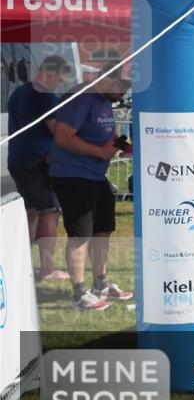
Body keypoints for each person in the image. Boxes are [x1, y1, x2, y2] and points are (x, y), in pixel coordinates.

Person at [49, 68, 134, 311]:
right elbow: (63, 137)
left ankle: (101, 284)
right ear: (106, 79)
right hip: (72, 175)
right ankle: (79, 294)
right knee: (80, 234)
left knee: (103, 229)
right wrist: (100, 152)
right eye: (121, 87)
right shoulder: (82, 98)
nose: (123, 94)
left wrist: (124, 146)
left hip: (96, 175)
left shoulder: (104, 100)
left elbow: (105, 132)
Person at [7, 55, 71, 281]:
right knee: (49, 211)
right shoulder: (45, 95)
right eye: (59, 79)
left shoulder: (18, 93)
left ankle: (20, 265)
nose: (58, 84)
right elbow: (56, 129)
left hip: (17, 160)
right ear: (50, 73)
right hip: (39, 162)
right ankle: (47, 268)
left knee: (31, 212)